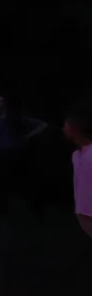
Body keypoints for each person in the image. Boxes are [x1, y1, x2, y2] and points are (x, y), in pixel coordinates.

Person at [62, 96, 92, 238]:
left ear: (74, 129)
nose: (63, 130)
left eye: (66, 127)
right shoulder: (75, 155)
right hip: (83, 213)